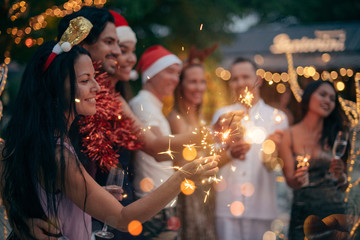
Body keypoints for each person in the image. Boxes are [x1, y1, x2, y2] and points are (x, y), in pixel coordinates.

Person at [0, 18, 219, 239]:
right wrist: (183, 177)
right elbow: (123, 219)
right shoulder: (59, 153)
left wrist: (88, 198)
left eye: (94, 78)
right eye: (86, 80)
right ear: (56, 88)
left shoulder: (44, 137)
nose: (97, 88)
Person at [211, 57, 288, 240]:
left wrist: (271, 152)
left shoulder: (277, 117)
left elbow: (278, 167)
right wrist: (230, 153)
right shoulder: (222, 116)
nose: (240, 83)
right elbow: (211, 160)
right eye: (235, 79)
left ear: (258, 80)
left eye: (245, 77)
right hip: (227, 206)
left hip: (262, 207)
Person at [279, 80, 348, 240]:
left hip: (334, 214)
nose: (327, 101)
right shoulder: (288, 135)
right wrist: (299, 180)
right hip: (303, 216)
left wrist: (340, 176)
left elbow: (343, 185)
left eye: (332, 98)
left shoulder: (337, 136)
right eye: (322, 95)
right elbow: (290, 180)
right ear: (308, 97)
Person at [128, 45, 184, 239]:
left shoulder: (153, 106)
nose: (176, 79)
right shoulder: (142, 103)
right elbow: (161, 151)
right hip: (152, 204)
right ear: (151, 74)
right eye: (170, 72)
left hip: (162, 203)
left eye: (178, 73)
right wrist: (204, 136)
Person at [167, 61, 217, 240]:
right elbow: (183, 164)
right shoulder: (176, 118)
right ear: (181, 86)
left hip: (205, 194)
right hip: (188, 196)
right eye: (193, 82)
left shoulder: (200, 117)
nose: (199, 87)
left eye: (202, 82)